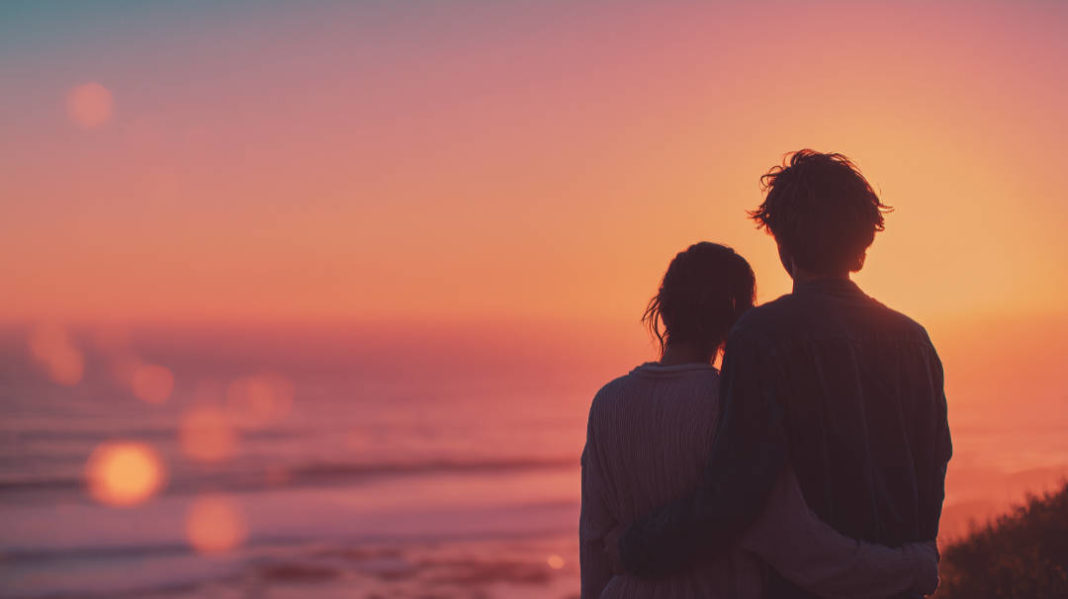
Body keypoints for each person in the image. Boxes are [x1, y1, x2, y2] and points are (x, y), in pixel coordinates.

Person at [616, 152, 953, 599]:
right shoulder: (917, 343)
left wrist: (633, 546)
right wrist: (905, 567)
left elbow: (732, 498)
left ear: (781, 245)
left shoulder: (761, 337)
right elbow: (932, 479)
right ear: (862, 247)